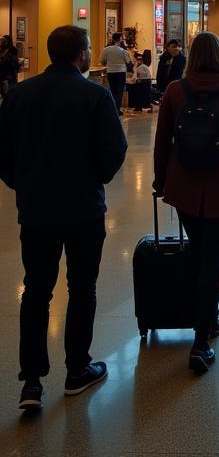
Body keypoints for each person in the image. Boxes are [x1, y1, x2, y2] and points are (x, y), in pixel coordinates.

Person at [0, 26, 127, 411]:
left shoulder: (20, 94)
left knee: (36, 290)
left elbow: (3, 154)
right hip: (83, 208)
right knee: (81, 287)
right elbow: (114, 150)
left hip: (36, 209)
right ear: (82, 54)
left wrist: (24, 184)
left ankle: (32, 381)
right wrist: (96, 177)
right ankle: (77, 370)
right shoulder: (95, 95)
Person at [153, 32, 219, 375]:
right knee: (212, 259)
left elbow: (162, 142)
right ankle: (201, 339)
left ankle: (205, 318)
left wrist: (160, 181)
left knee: (198, 252)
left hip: (184, 185)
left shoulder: (174, 90)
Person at [99, 31, 132, 112]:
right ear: (120, 39)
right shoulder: (123, 51)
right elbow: (128, 61)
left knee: (113, 91)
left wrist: (108, 64)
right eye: (122, 38)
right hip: (121, 72)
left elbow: (102, 60)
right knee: (119, 91)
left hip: (110, 72)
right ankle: (117, 109)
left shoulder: (106, 49)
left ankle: (113, 108)